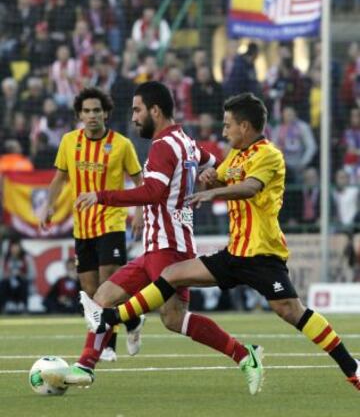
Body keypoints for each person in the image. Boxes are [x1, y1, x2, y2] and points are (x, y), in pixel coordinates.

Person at [78, 92, 360, 392]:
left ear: (246, 127)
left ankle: (352, 367)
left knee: (291, 310)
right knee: (171, 276)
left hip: (262, 256)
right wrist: (210, 178)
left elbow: (250, 187)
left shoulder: (269, 155)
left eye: (228, 126)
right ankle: (112, 318)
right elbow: (216, 173)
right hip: (234, 254)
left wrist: (214, 192)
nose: (224, 132)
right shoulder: (236, 157)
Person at [42, 81, 265, 396]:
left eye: (137, 110)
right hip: (159, 247)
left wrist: (101, 195)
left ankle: (244, 354)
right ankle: (85, 367)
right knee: (104, 296)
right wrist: (211, 175)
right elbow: (216, 164)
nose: (133, 117)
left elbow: (152, 192)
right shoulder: (186, 141)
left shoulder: (163, 145)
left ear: (155, 111)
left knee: (172, 318)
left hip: (170, 249)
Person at [39, 86, 144, 362]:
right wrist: (48, 206)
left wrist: (140, 213)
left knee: (108, 284)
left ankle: (108, 345)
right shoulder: (68, 142)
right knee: (89, 290)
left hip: (111, 222)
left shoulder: (122, 144)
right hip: (82, 227)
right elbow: (59, 178)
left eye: (97, 110)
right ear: (79, 115)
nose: (92, 115)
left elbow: (140, 182)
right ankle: (132, 320)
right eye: (86, 111)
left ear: (106, 113)